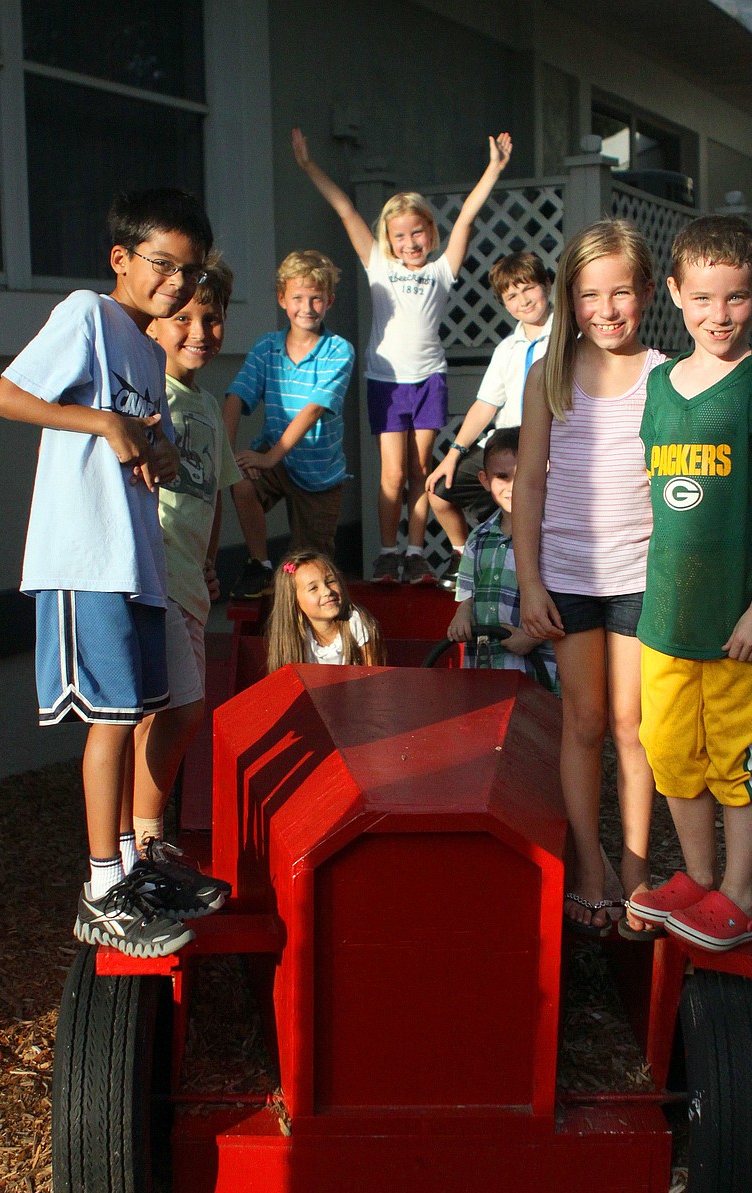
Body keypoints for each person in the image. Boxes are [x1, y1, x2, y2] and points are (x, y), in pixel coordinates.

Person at [0, 187, 216, 958]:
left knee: (158, 705)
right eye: (163, 264)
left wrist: (157, 450)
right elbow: (7, 394)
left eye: (190, 272)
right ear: (121, 258)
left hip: (136, 559)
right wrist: (103, 421)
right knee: (113, 722)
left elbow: (147, 449)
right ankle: (100, 890)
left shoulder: (147, 349)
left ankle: (133, 867)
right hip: (84, 556)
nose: (177, 284)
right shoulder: (86, 314)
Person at [627, 215, 752, 952]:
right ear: (674, 293)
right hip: (669, 618)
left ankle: (740, 894)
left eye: (737, 298)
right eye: (704, 298)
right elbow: (659, 500)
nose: (720, 315)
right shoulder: (658, 387)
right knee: (669, 747)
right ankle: (699, 877)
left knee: (737, 755)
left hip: (739, 621)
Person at [513, 220, 663, 939]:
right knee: (585, 720)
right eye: (589, 294)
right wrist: (529, 578)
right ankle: (591, 865)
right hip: (569, 574)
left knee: (635, 726)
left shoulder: (666, 375)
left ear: (646, 294)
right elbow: (531, 485)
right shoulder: (550, 371)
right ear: (569, 297)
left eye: (621, 293)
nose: (606, 309)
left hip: (641, 575)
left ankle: (636, 872)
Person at [292, 125, 512, 583]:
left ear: (430, 233)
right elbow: (344, 208)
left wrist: (492, 169)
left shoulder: (441, 270)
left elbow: (468, 218)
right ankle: (387, 550)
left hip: (428, 378)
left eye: (417, 233)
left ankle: (415, 552)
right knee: (391, 474)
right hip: (386, 381)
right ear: (387, 240)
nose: (409, 243)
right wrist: (310, 165)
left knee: (420, 471)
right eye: (399, 236)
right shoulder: (378, 264)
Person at [129, 254, 240, 907]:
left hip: (189, 582)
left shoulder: (202, 405)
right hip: (151, 574)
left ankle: (143, 836)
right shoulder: (146, 397)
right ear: (152, 323)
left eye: (213, 317)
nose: (201, 330)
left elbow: (218, 488)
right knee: (179, 710)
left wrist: (209, 558)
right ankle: (143, 838)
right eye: (183, 317)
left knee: (163, 715)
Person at [224, 250, 354, 598]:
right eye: (298, 297)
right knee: (240, 479)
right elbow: (237, 396)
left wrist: (270, 457)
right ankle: (259, 565)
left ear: (329, 301)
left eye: (316, 298)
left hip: (319, 473)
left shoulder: (338, 350)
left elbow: (313, 409)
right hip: (275, 456)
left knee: (312, 568)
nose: (307, 307)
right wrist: (223, 455)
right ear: (283, 299)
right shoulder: (267, 347)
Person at [426, 252, 553, 588]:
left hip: (546, 445)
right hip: (503, 446)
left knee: (532, 516)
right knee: (440, 491)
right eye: (512, 296)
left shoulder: (570, 339)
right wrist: (453, 453)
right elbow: (485, 404)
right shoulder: (508, 348)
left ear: (547, 285)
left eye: (529, 289)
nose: (523, 301)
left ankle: (529, 576)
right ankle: (463, 557)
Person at [447, 427, 558, 689]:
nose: (512, 487)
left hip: (538, 668)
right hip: (488, 666)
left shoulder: (552, 534)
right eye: (502, 476)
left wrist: (532, 637)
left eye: (522, 476)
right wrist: (462, 615)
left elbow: (565, 599)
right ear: (485, 480)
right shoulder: (479, 537)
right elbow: (467, 592)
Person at [266, 551, 385, 671]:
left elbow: (373, 677)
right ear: (293, 601)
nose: (327, 591)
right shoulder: (292, 637)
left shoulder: (356, 624)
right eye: (313, 588)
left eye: (330, 581)